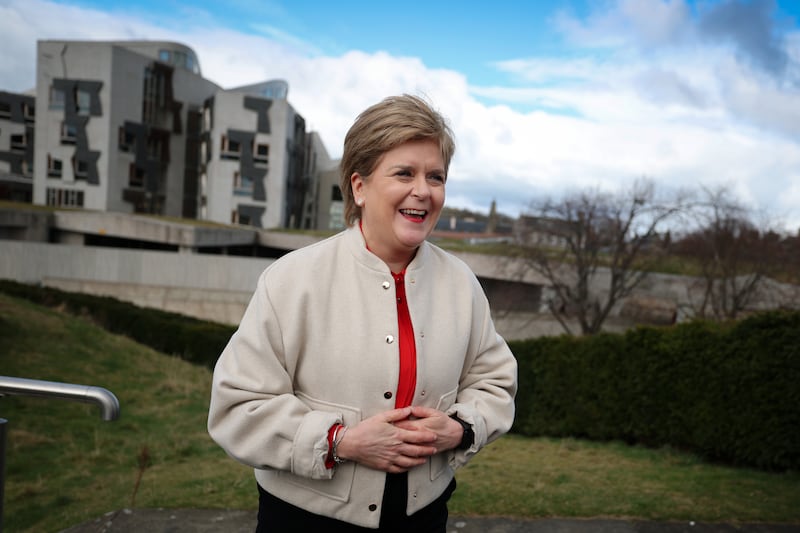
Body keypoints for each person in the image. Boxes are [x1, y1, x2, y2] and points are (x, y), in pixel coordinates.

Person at [207, 94, 517, 532]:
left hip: (423, 518)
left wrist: (461, 429)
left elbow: (494, 381)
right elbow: (238, 407)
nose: (423, 191)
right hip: (305, 522)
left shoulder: (461, 283)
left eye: (436, 176)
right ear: (359, 187)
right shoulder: (292, 279)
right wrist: (341, 441)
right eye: (404, 173)